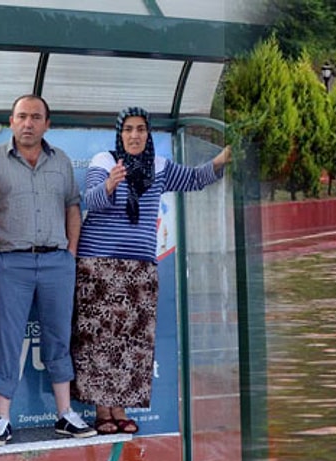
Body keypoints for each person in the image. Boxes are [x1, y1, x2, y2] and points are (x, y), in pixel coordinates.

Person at [72, 106, 231, 434]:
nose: (134, 135)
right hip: (99, 265)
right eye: (128, 129)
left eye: (141, 129)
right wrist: (111, 185)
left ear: (149, 133)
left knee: (132, 341)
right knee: (101, 340)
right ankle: (103, 411)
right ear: (120, 133)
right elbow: (90, 201)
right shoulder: (105, 162)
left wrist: (226, 157)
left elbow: (196, 179)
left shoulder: (159, 166)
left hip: (141, 267)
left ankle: (120, 408)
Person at [0, 94, 96, 446]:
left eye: (35, 117)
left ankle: (65, 415)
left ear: (47, 124)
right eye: (22, 116)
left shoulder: (61, 162)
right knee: (7, 339)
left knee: (58, 336)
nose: (28, 123)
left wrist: (70, 253)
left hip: (58, 261)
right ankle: (1, 420)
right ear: (11, 121)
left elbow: (73, 206)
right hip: (11, 262)